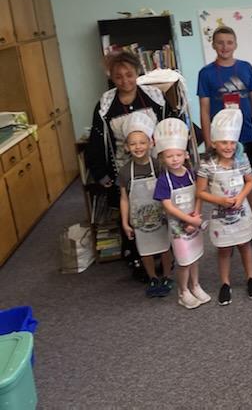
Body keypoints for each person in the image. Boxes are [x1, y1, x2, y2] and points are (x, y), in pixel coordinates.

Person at [85, 51, 171, 271]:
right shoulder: (105, 105)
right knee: (133, 211)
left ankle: (164, 251)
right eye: (118, 77)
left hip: (156, 165)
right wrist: (100, 172)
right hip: (124, 169)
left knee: (160, 206)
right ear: (111, 78)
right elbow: (97, 140)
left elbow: (170, 126)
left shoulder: (154, 97)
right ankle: (138, 256)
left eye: (129, 75)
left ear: (137, 72)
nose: (125, 81)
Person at [197, 26, 252, 247]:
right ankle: (227, 224)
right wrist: (208, 141)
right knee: (222, 182)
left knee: (248, 180)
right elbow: (204, 110)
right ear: (213, 45)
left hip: (245, 135)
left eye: (229, 42)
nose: (224, 46)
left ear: (235, 44)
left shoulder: (246, 68)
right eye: (220, 42)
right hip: (220, 139)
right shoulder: (206, 73)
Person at [195, 109, 252, 306]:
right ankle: (225, 283)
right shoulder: (207, 164)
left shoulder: (241, 159)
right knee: (224, 249)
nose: (229, 147)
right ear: (214, 143)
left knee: (244, 245)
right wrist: (219, 200)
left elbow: (250, 181)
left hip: (242, 211)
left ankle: (251, 278)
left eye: (232, 142)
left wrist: (240, 197)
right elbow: (200, 192)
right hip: (220, 214)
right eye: (224, 142)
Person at [152, 118, 209, 309]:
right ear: (162, 158)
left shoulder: (190, 173)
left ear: (185, 154)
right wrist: (189, 220)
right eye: (170, 156)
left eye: (178, 155)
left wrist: (196, 215)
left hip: (194, 221)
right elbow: (168, 207)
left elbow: (199, 194)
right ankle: (183, 291)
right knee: (184, 261)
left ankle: (195, 285)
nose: (175, 159)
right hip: (178, 227)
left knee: (195, 257)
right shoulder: (163, 180)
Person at [118, 112, 173, 297]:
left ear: (151, 143)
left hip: (161, 216)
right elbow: (124, 198)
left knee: (165, 247)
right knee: (145, 250)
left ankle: (167, 275)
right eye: (133, 144)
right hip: (139, 220)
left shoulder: (158, 166)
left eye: (142, 142)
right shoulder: (125, 172)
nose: (138, 147)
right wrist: (125, 223)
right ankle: (153, 278)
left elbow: (169, 190)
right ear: (126, 147)